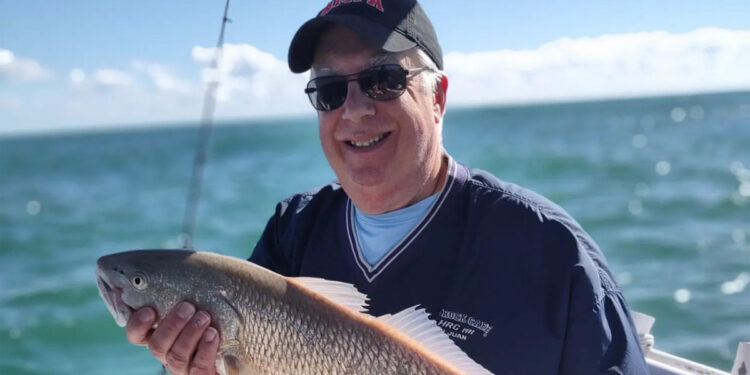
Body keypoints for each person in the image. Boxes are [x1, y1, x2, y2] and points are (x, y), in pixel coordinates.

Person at [126, 0, 650, 374]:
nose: (354, 111)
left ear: (438, 97)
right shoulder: (294, 231)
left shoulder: (551, 250)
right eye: (329, 90)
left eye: (384, 81)